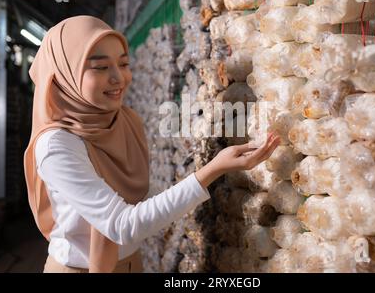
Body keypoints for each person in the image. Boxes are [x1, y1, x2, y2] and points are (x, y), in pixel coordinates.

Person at [23, 16, 280, 273]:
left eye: (123, 63)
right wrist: (211, 170)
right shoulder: (57, 146)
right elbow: (122, 225)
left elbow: (137, 209)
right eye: (100, 68)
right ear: (63, 77)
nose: (118, 78)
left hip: (131, 263)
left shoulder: (124, 122)